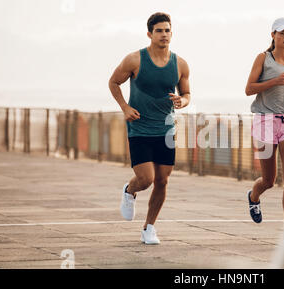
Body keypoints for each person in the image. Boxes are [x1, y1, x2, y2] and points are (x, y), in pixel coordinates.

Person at [108, 12, 190, 244]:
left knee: (162, 181)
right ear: (149, 34)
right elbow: (113, 82)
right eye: (159, 31)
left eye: (167, 30)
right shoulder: (135, 60)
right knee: (146, 179)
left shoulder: (180, 64)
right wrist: (124, 107)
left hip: (165, 130)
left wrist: (181, 102)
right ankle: (129, 190)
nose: (164, 34)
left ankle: (149, 228)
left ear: (172, 33)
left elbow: (187, 94)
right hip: (139, 128)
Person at [245, 17, 284, 223]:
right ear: (273, 35)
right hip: (265, 121)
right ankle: (254, 196)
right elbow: (249, 89)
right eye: (282, 33)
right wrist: (275, 81)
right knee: (269, 180)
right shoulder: (263, 59)